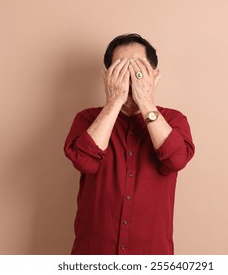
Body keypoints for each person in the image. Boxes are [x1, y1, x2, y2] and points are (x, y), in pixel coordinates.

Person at [64, 33, 195, 255]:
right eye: (121, 69)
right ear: (107, 76)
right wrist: (115, 101)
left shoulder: (174, 120)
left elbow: (176, 160)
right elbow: (84, 161)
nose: (129, 76)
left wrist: (145, 102)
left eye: (137, 68)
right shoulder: (87, 119)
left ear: (154, 74)